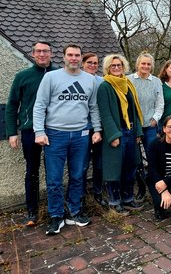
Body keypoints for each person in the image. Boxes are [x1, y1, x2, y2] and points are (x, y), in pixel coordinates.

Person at [33, 44, 101, 235]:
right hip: (55, 135)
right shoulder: (51, 77)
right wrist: (39, 131)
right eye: (70, 55)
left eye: (77, 55)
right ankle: (56, 216)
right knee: (54, 179)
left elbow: (94, 107)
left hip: (81, 135)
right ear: (63, 57)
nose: (74, 58)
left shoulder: (90, 80)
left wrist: (97, 129)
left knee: (78, 175)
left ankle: (74, 211)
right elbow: (40, 105)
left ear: (81, 58)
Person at [5, 40, 57, 226]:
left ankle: (56, 209)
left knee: (55, 172)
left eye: (46, 51)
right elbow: (12, 105)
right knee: (32, 171)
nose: (42, 54)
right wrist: (12, 132)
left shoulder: (59, 74)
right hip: (30, 131)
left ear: (51, 53)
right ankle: (32, 211)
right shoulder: (23, 76)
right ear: (33, 53)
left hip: (55, 130)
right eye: (39, 51)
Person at [97, 54, 144, 216]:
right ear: (108, 68)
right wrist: (113, 135)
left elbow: (135, 110)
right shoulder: (105, 86)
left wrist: (138, 131)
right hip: (117, 133)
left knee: (130, 166)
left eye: (119, 65)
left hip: (131, 131)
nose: (116, 68)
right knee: (114, 169)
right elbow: (105, 114)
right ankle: (114, 202)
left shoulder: (128, 84)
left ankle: (128, 198)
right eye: (113, 66)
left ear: (123, 67)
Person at [127, 52, 164, 203]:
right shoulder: (129, 80)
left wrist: (155, 119)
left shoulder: (156, 81)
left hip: (150, 126)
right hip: (134, 126)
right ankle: (141, 187)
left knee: (153, 157)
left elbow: (160, 103)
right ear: (138, 64)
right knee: (136, 159)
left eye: (148, 64)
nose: (146, 66)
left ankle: (157, 186)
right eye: (143, 63)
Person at [81, 52, 106, 207]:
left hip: (99, 128)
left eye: (95, 63)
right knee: (82, 164)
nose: (92, 65)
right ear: (83, 63)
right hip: (83, 128)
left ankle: (97, 192)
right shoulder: (78, 80)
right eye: (89, 62)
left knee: (99, 163)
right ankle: (81, 195)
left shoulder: (102, 81)